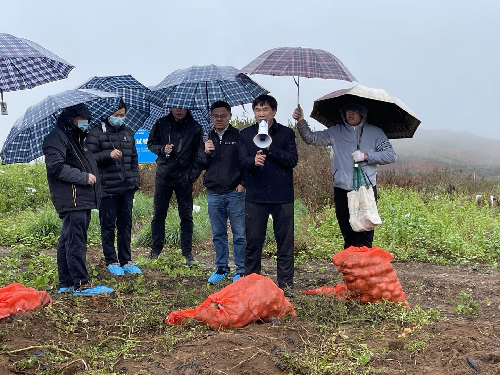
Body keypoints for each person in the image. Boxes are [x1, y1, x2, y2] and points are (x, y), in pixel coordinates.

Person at [292, 102, 396, 249]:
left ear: (363, 113)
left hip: (365, 189)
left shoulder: (375, 133)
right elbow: (311, 138)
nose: (350, 114)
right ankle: (350, 267)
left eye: (355, 110)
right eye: (347, 110)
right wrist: (301, 121)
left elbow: (390, 155)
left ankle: (364, 267)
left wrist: (366, 156)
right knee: (347, 232)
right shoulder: (336, 131)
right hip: (342, 188)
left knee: (365, 231)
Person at [42, 103, 113, 296]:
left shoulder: (77, 138)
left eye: (87, 119)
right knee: (76, 241)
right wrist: (83, 177)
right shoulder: (56, 138)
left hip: (81, 197)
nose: (86, 122)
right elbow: (55, 167)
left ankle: (66, 282)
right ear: (70, 118)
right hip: (72, 197)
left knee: (67, 239)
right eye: (82, 118)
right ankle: (81, 283)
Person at [239, 94, 298, 293]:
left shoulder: (286, 133)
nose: (261, 114)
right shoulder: (245, 135)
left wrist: (272, 149)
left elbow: (292, 160)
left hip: (282, 196)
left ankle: (286, 285)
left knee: (285, 244)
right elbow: (241, 162)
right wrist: (252, 162)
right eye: (257, 110)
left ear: (273, 111)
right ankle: (251, 284)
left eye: (265, 110)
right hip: (256, 197)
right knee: (253, 243)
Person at [86, 100, 142, 276]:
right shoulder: (95, 133)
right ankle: (111, 259)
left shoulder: (128, 132)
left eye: (122, 115)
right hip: (107, 187)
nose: (119, 118)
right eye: (116, 115)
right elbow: (89, 158)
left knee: (125, 224)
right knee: (108, 225)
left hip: (126, 187)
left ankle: (126, 259)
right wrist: (107, 155)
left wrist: (135, 181)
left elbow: (133, 159)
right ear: (107, 114)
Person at [197, 101, 246, 284]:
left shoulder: (238, 136)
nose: (219, 119)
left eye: (223, 115)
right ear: (211, 117)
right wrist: (205, 151)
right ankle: (221, 268)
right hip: (214, 192)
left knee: (239, 233)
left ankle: (241, 269)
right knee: (218, 233)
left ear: (229, 116)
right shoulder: (206, 137)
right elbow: (200, 164)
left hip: (235, 192)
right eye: (215, 115)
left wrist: (243, 183)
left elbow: (246, 162)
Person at [147, 108, 202, 265]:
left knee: (186, 215)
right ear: (170, 107)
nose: (179, 110)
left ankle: (187, 253)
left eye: (182, 107)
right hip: (163, 174)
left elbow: (199, 154)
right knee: (158, 214)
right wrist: (162, 149)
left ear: (188, 107)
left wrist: (191, 176)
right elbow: (151, 143)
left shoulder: (195, 127)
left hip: (184, 176)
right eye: (176, 107)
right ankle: (155, 250)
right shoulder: (161, 123)